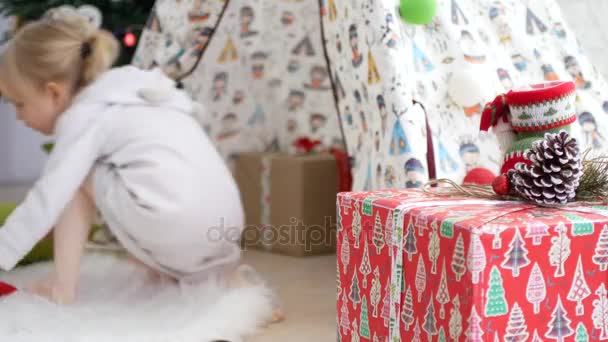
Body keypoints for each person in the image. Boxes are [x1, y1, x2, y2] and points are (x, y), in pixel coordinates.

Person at [0, 12, 245, 305]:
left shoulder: (83, 114)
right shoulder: (134, 93)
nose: (18, 116)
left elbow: (47, 197)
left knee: (72, 180)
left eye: (19, 103)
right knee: (142, 180)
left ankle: (61, 288)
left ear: (53, 93)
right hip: (225, 230)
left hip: (176, 227)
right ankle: (225, 279)